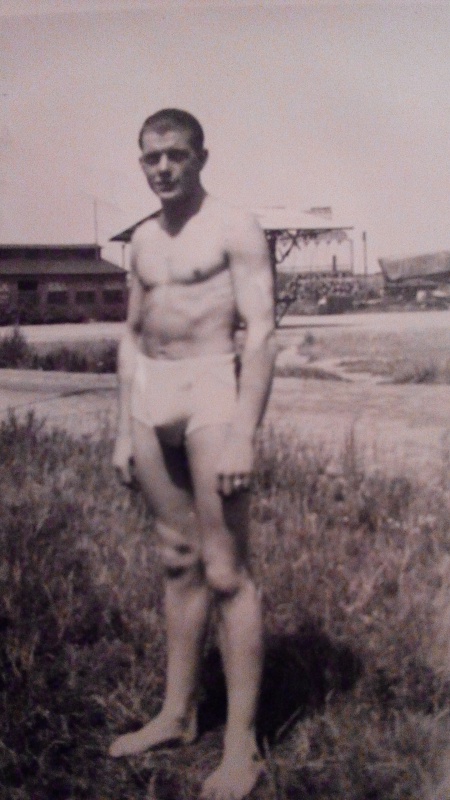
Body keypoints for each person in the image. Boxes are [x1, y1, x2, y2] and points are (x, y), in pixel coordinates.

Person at [109, 108, 276, 800]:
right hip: (152, 395)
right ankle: (178, 716)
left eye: (176, 155)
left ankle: (242, 749)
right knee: (176, 562)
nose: (163, 169)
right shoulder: (141, 240)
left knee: (226, 570)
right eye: (151, 158)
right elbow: (130, 334)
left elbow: (262, 331)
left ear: (202, 156)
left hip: (212, 393)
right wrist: (124, 425)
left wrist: (243, 430)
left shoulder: (235, 226)